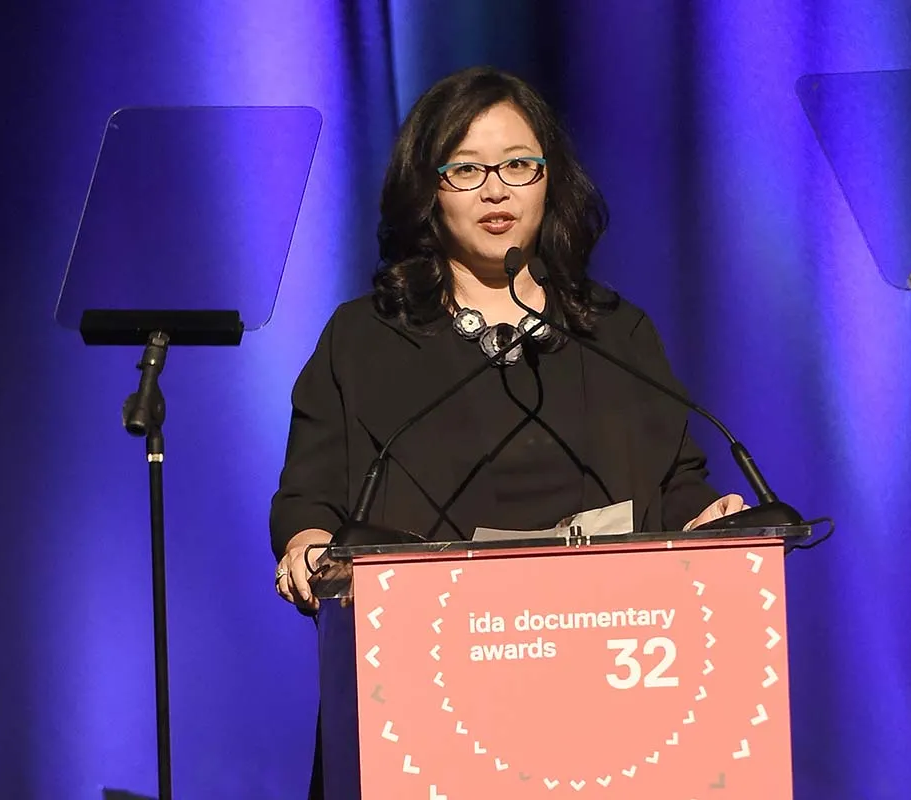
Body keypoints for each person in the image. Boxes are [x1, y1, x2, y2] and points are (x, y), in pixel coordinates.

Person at [268, 65, 746, 799]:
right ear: (428, 189)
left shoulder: (617, 333)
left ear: (550, 179)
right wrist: (304, 546)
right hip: (423, 702)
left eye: (518, 164)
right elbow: (311, 494)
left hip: (608, 705)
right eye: (466, 169)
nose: (496, 189)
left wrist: (708, 523)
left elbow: (675, 480)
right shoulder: (363, 340)